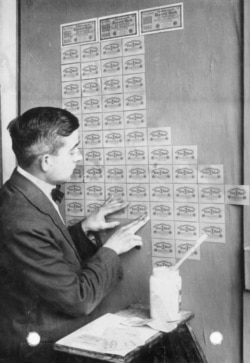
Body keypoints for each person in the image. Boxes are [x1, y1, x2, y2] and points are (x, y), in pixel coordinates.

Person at [0, 107, 149, 363]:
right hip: (39, 349)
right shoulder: (20, 218)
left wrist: (83, 229)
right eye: (73, 150)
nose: (78, 158)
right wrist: (111, 249)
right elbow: (77, 299)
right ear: (46, 162)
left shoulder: (23, 191)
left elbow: (44, 255)